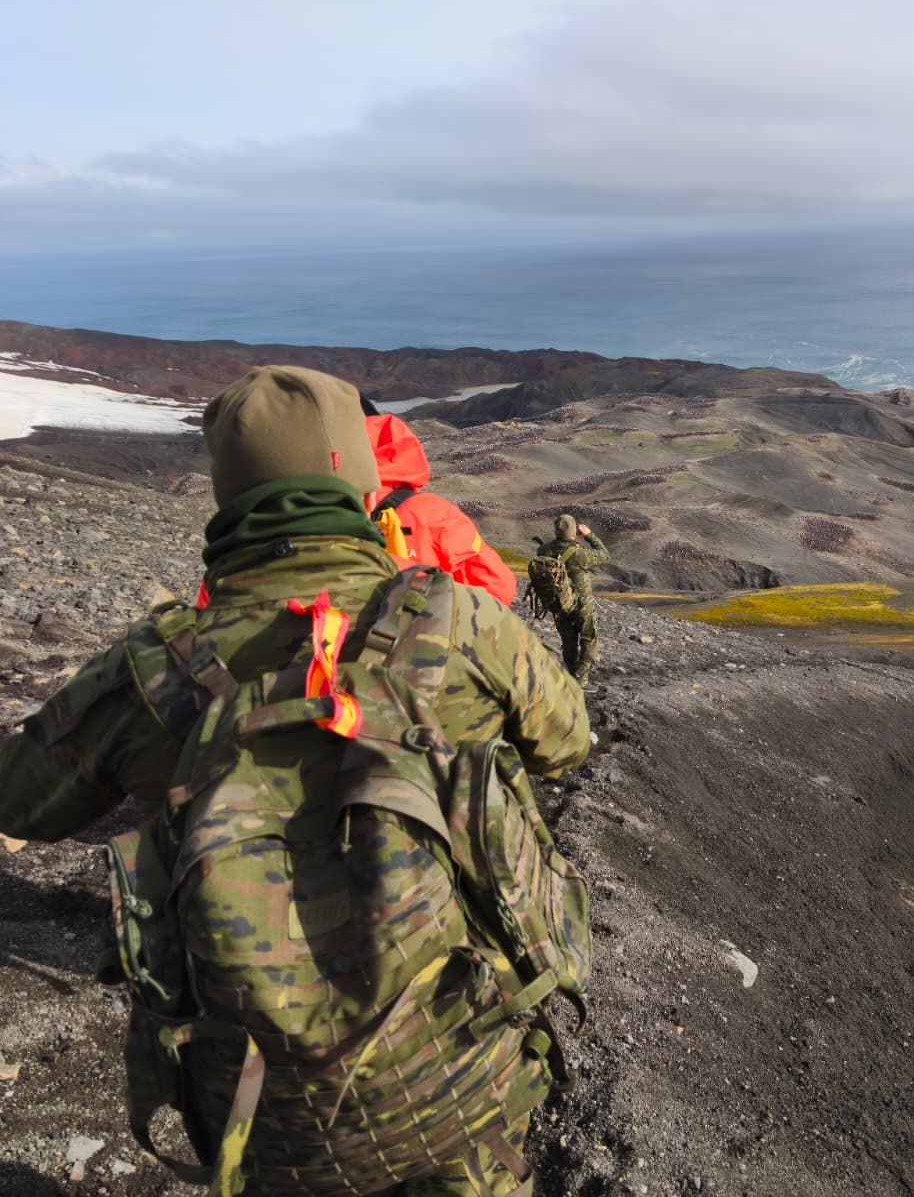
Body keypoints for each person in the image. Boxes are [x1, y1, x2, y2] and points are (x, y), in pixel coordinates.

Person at [0, 365, 590, 1196]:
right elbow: (568, 740)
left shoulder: (152, 668)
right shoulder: (458, 621)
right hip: (463, 1077)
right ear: (355, 471)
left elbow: (20, 797)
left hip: (254, 1116)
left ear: (228, 491)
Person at [364, 404, 518, 605]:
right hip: (419, 630)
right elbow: (500, 589)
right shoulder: (435, 514)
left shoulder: (323, 509)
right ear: (410, 452)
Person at [533, 514, 609, 687]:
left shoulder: (544, 550)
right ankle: (581, 679)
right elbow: (605, 555)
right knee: (589, 637)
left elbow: (548, 550)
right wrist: (589, 535)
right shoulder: (580, 554)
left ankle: (570, 675)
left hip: (560, 604)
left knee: (568, 640)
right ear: (574, 532)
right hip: (582, 605)